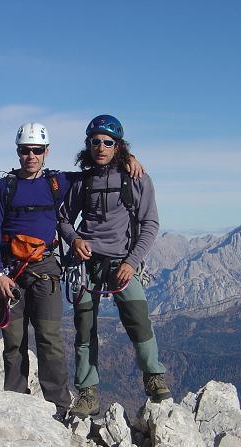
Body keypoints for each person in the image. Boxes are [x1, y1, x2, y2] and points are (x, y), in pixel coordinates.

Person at [59, 114, 171, 418]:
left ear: (118, 146)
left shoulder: (136, 178)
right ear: (88, 144)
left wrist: (133, 262)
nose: (101, 147)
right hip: (86, 262)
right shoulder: (82, 181)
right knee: (85, 327)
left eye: (108, 142)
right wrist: (73, 240)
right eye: (95, 141)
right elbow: (64, 219)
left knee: (138, 318)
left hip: (122, 263)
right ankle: (88, 391)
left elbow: (150, 224)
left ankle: (153, 376)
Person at [0, 123, 72, 419]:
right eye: (25, 150)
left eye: (36, 150)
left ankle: (58, 408)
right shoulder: (4, 187)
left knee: (49, 339)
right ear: (18, 152)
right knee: (13, 342)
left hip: (45, 268)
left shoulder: (57, 183)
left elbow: (99, 172)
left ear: (47, 152)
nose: (30, 156)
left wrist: (127, 158)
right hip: (11, 272)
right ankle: (16, 405)